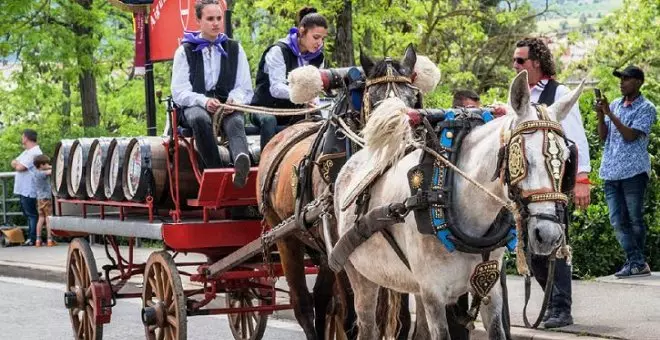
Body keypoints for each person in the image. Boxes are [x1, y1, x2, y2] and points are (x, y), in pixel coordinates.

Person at [512, 37, 592, 328]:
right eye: (515, 60)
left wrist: (582, 178)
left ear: (537, 62)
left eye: (520, 60)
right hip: (529, 190)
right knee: (534, 252)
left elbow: (576, 138)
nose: (515, 65)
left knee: (556, 247)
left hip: (552, 187)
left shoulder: (559, 94)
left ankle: (561, 307)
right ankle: (551, 303)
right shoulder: (523, 96)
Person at [171, 0, 253, 188]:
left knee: (236, 120)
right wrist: (204, 101)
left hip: (225, 105)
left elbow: (244, 87)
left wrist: (235, 100)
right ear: (198, 21)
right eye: (210, 19)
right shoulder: (184, 51)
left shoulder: (235, 48)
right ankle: (215, 170)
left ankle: (241, 161)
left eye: (218, 18)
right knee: (200, 119)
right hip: (194, 106)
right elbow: (179, 91)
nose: (216, 23)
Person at [594, 66, 656, 278]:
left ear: (639, 82)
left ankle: (635, 263)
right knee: (617, 220)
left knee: (635, 220)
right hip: (610, 171)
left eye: (627, 79)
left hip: (633, 172)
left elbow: (630, 136)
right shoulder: (615, 105)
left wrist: (610, 114)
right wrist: (601, 116)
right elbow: (603, 137)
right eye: (621, 79)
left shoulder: (647, 108)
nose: (622, 82)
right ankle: (637, 262)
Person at [249, 6, 328, 149]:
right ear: (302, 31)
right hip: (265, 107)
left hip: (296, 109)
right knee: (268, 121)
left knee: (320, 120)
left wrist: (313, 101)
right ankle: (265, 164)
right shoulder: (278, 51)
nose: (319, 43)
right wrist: (303, 96)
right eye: (316, 37)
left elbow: (315, 88)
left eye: (322, 38)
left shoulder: (318, 57)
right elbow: (276, 88)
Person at [10, 129, 42, 246]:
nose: (21, 139)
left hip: (29, 189)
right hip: (23, 189)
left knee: (32, 214)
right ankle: (31, 238)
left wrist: (17, 164)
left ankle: (32, 239)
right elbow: (14, 162)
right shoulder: (27, 152)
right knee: (28, 214)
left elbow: (20, 167)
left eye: (22, 137)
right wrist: (16, 164)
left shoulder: (34, 153)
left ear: (26, 138)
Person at [31, 155, 54, 247]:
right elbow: (52, 171)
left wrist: (48, 166)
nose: (48, 165)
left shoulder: (35, 172)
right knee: (49, 219)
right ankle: (49, 240)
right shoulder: (42, 173)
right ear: (41, 165)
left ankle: (38, 240)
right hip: (47, 198)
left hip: (39, 198)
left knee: (41, 218)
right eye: (46, 163)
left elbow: (48, 168)